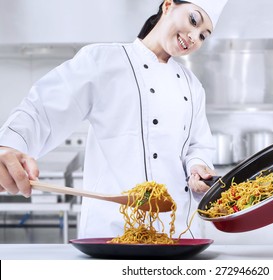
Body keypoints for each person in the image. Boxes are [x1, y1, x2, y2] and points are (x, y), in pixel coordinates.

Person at [0, 0, 228, 238]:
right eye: (193, 20)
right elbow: (42, 110)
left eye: (203, 36)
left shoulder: (193, 87)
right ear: (168, 5)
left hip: (178, 236)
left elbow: (197, 145)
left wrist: (197, 168)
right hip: (111, 237)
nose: (193, 37)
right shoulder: (103, 60)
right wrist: (10, 146)